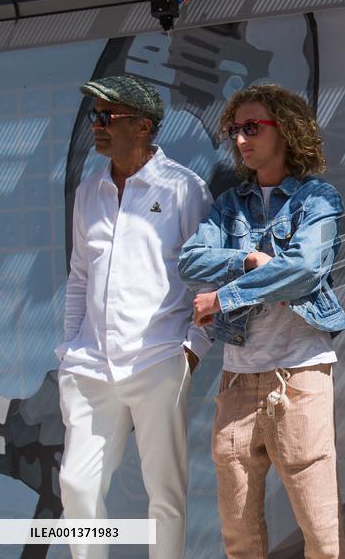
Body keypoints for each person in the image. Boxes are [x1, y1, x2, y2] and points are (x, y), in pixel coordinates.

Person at [178, 84, 345, 558]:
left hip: (299, 374)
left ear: (286, 130)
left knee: (321, 533)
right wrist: (249, 263)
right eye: (234, 129)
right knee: (239, 537)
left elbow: (305, 269)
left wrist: (225, 295)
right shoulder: (228, 203)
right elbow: (191, 263)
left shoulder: (317, 198)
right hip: (237, 380)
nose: (239, 139)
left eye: (252, 127)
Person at [58, 74, 211, 559]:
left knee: (164, 494)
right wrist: (69, 348)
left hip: (158, 358)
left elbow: (206, 277)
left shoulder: (186, 188)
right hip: (90, 365)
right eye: (93, 117)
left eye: (107, 117)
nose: (96, 126)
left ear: (143, 126)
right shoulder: (89, 192)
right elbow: (80, 276)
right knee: (75, 487)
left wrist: (191, 350)